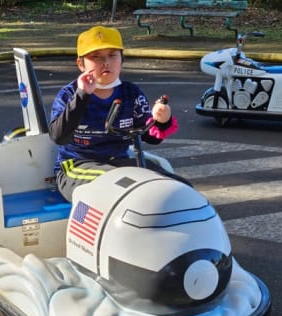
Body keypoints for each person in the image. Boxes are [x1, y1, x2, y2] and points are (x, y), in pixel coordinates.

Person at [49, 25, 189, 202]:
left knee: (178, 187)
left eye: (112, 55)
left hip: (119, 162)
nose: (106, 62)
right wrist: (83, 95)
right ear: (81, 63)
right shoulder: (70, 94)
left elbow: (149, 137)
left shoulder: (130, 93)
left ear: (122, 59)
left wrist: (162, 119)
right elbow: (58, 137)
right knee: (123, 185)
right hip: (76, 165)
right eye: (96, 57)